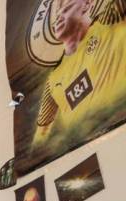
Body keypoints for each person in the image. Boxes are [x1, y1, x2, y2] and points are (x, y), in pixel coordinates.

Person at [31, 0, 126, 154]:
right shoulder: (52, 81)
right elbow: (39, 144)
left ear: (87, 4)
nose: (58, 17)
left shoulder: (109, 19)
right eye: (56, 14)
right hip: (89, 156)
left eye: (64, 8)